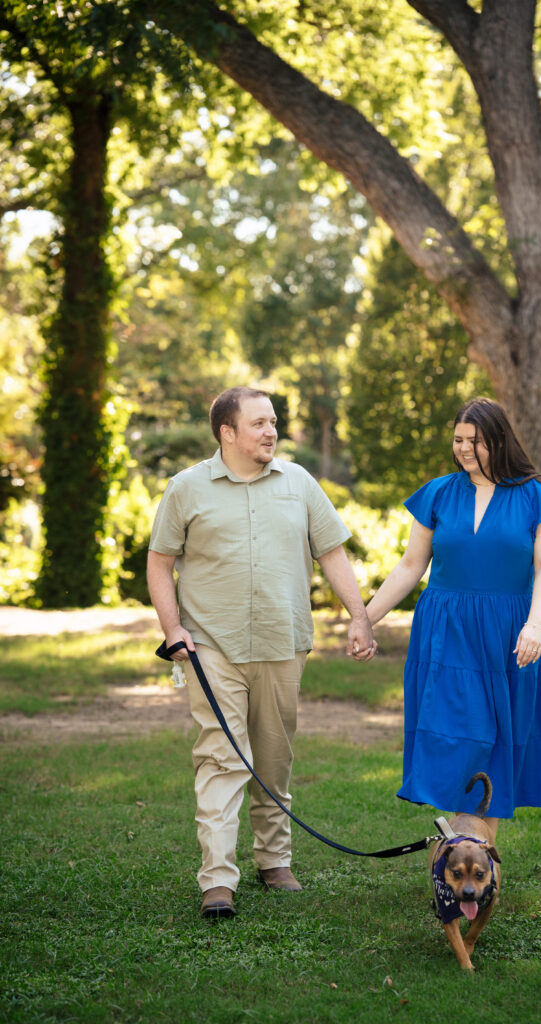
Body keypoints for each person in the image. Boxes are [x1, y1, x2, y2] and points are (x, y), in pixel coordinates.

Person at [147, 386, 376, 919]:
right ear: (227, 433)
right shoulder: (186, 488)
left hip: (282, 641)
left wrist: (359, 616)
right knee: (222, 758)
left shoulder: (298, 482)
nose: (271, 431)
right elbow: (160, 563)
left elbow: (332, 553)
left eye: (273, 422)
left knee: (273, 758)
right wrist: (174, 628)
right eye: (258, 423)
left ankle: (274, 860)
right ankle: (218, 881)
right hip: (211, 648)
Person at [365, 397, 541, 840]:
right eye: (459, 440)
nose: (464, 449)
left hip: (511, 631)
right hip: (447, 631)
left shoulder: (535, 494)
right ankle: (469, 850)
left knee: (497, 737)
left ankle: (472, 853)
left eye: (476, 441)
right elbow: (410, 566)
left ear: (499, 441)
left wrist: (534, 624)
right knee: (463, 731)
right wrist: (364, 619)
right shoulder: (439, 492)